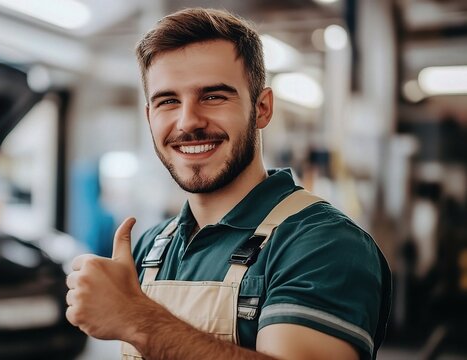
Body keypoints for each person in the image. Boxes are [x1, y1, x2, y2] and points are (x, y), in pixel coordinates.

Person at [65, 8, 391, 360]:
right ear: (149, 116)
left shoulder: (322, 244)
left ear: (262, 108)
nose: (188, 121)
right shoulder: (150, 248)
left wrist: (136, 319)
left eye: (213, 96)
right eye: (168, 101)